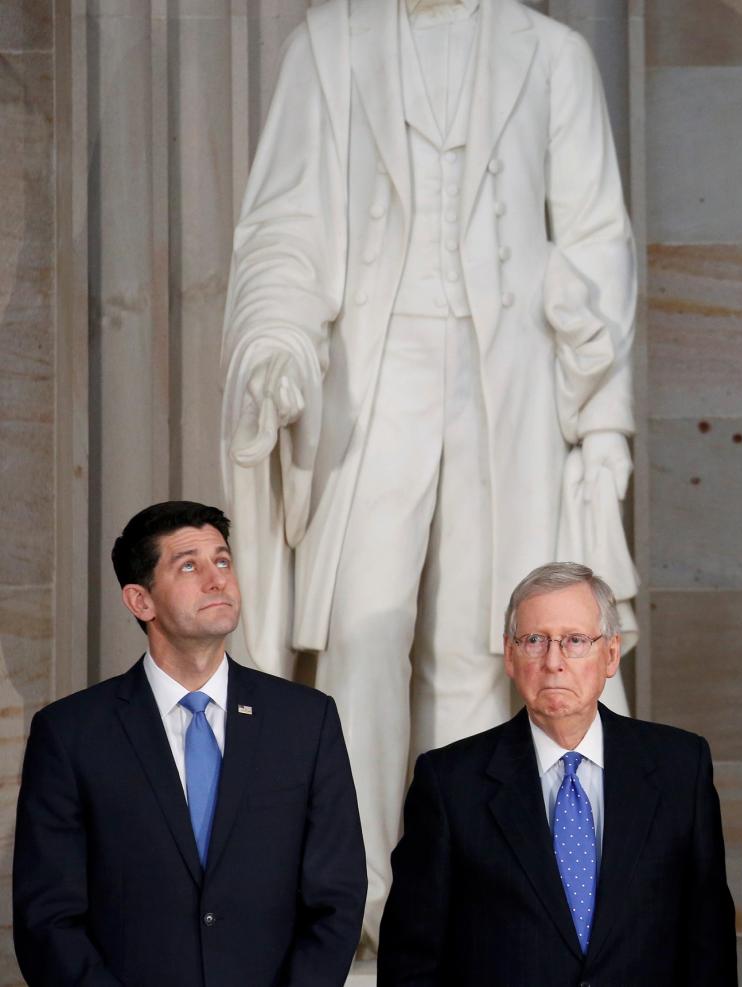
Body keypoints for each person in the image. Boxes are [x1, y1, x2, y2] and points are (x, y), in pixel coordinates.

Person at [218, 0, 638, 945]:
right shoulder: (330, 45)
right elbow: (285, 224)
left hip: (515, 381)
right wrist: (274, 346)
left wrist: (604, 421)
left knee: (485, 649)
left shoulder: (554, 55)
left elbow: (598, 249)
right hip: (371, 369)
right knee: (363, 635)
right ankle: (353, 901)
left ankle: (463, 899)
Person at [13, 501, 365, 987]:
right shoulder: (72, 733)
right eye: (189, 566)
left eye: (222, 561)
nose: (217, 579)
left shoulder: (306, 721)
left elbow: (338, 896)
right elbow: (47, 918)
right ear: (141, 601)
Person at [377, 562, 736, 985]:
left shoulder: (681, 767)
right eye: (534, 640)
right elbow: (410, 959)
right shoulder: (450, 782)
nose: (553, 661)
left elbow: (709, 942)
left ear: (611, 654)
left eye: (575, 641)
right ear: (510, 655)